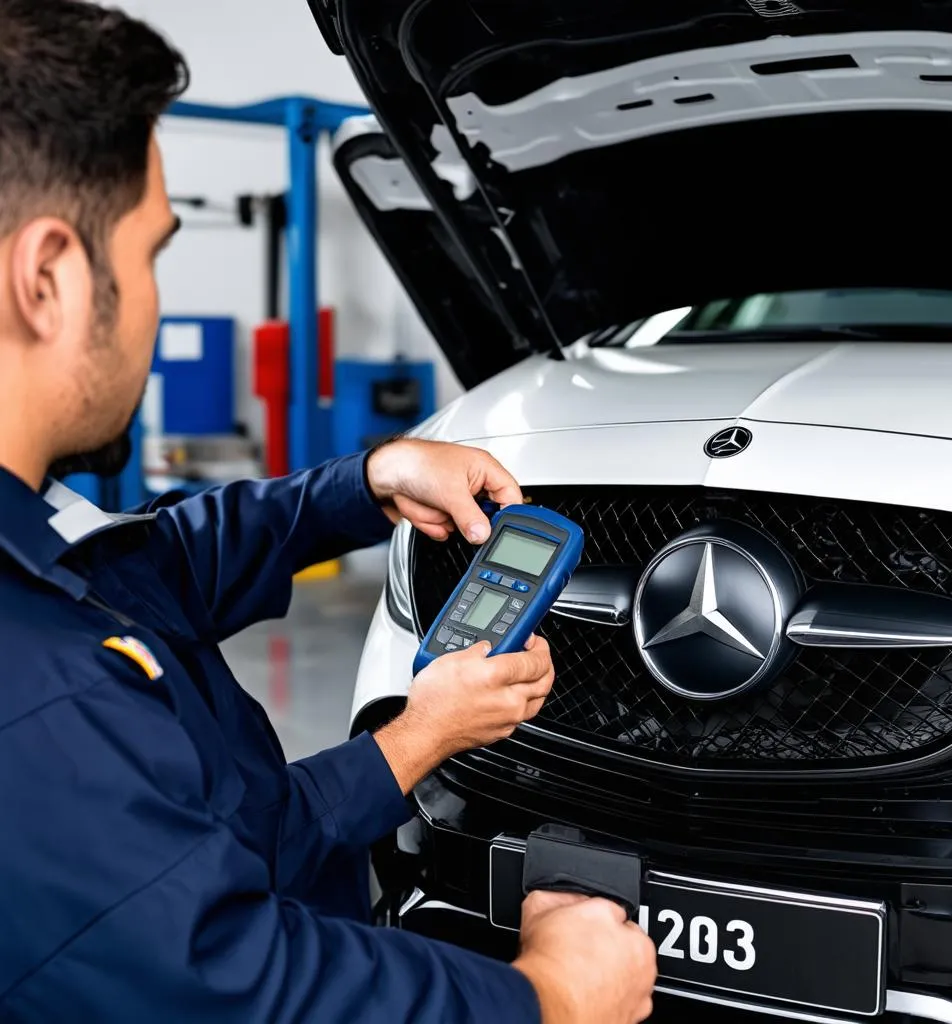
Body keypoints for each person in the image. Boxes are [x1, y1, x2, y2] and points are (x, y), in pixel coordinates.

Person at [0, 2, 658, 1022]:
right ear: (46, 278)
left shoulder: (35, 557)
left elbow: (154, 572)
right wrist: (551, 998)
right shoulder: (38, 692)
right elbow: (246, 985)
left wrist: (364, 486)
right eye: (150, 256)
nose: (155, 304)